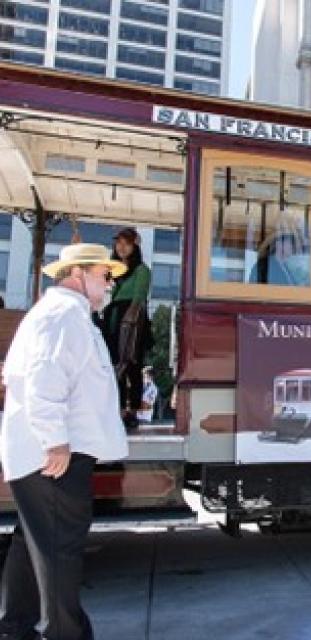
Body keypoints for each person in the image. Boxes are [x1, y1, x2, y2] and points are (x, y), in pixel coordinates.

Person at [0, 243, 129, 640]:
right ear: (78, 274)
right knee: (59, 549)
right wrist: (55, 442)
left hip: (49, 454)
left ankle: (15, 626)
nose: (109, 285)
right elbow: (44, 379)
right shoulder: (63, 313)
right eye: (105, 276)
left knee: (33, 542)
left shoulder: (65, 314)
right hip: (56, 456)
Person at [102, 227, 152, 432]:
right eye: (119, 243)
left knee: (132, 365)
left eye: (127, 243)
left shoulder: (142, 270)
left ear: (135, 246)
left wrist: (129, 328)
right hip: (112, 318)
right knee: (115, 365)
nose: (122, 247)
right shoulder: (110, 271)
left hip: (132, 322)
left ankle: (132, 412)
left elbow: (138, 299)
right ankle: (119, 408)